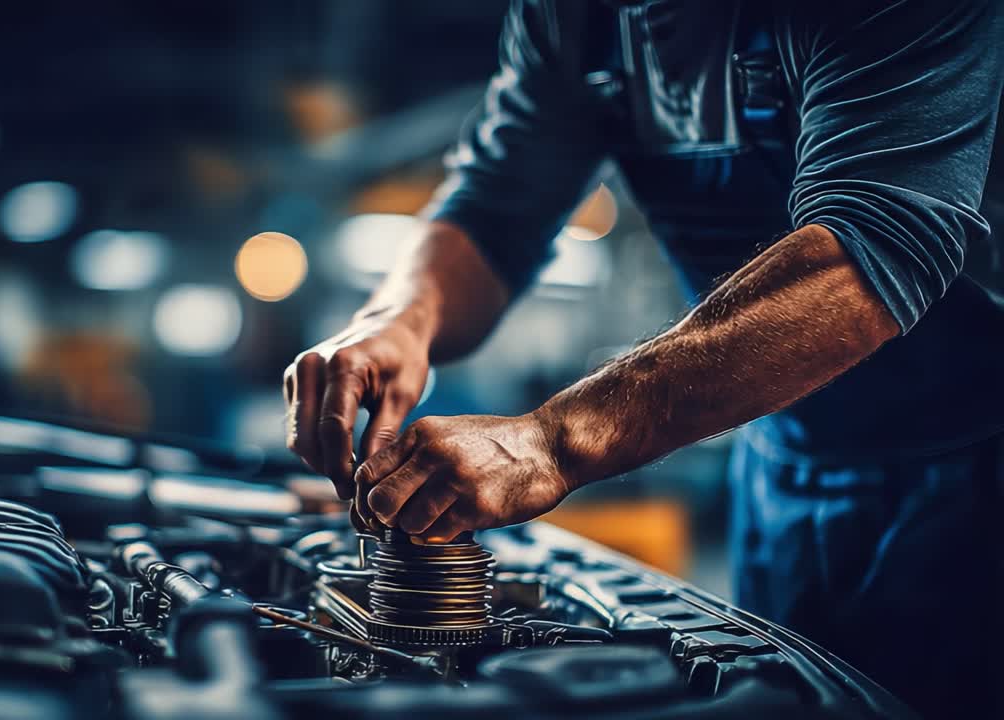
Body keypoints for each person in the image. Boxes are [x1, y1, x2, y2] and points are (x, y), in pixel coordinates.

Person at [283, 1, 1004, 716]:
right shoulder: (574, 17)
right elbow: (493, 208)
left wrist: (553, 441)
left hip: (979, 486)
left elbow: (869, 251)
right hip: (785, 473)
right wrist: (396, 320)